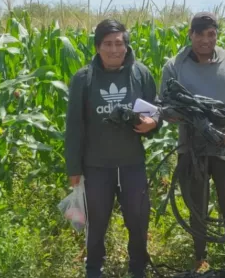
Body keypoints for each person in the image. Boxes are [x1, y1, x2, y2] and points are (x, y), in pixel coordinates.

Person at [159, 12, 225, 275]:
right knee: (196, 206)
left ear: (217, 35)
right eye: (199, 34)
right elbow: (163, 107)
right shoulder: (174, 65)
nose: (205, 39)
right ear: (190, 34)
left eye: (211, 34)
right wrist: (189, 116)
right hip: (191, 149)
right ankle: (199, 259)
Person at [64, 19, 162, 278]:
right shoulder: (84, 79)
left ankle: (137, 269)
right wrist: (73, 167)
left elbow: (156, 110)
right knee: (96, 224)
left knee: (139, 220)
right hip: (96, 166)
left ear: (126, 46)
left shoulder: (141, 74)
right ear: (97, 47)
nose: (114, 50)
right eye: (107, 44)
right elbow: (74, 125)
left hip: (132, 164)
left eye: (119, 43)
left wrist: (153, 123)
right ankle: (94, 269)